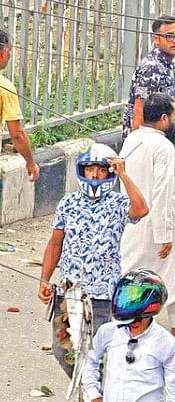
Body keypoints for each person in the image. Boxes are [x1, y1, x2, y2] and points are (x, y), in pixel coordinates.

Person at [37, 143, 149, 378]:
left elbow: (141, 210)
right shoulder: (68, 203)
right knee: (63, 350)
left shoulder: (118, 203)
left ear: (109, 172)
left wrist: (124, 175)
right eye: (90, 170)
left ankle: (96, 392)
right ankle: (88, 389)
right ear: (82, 171)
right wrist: (44, 279)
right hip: (69, 293)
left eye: (101, 170)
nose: (95, 175)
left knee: (97, 353)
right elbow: (55, 243)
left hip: (101, 295)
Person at [120, 93, 175, 357]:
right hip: (160, 227)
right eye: (174, 114)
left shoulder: (133, 139)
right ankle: (133, 337)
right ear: (165, 118)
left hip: (137, 223)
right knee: (147, 282)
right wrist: (165, 235)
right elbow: (162, 193)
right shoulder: (163, 147)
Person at [82, 268, 175, 402]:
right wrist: (93, 394)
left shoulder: (167, 344)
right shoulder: (108, 332)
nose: (133, 325)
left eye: (138, 320)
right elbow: (89, 361)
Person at [123, 15, 175, 140]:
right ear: (156, 39)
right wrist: (136, 148)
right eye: (169, 36)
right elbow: (139, 109)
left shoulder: (167, 64)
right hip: (147, 142)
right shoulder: (152, 67)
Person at [0, 29, 39, 181]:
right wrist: (31, 163)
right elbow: (17, 134)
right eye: (10, 51)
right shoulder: (5, 87)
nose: (10, 56)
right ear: (3, 52)